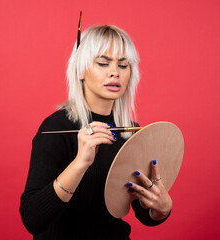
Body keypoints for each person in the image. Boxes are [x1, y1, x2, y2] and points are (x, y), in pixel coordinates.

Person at [20, 25, 172, 240]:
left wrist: (161, 209)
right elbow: (32, 219)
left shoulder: (131, 131)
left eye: (123, 65)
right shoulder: (55, 128)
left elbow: (142, 210)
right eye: (102, 63)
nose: (115, 72)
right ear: (80, 70)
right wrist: (80, 162)